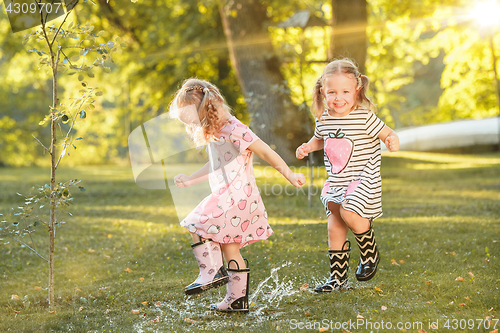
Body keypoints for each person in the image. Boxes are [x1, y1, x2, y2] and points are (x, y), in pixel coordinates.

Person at [171, 78, 306, 311]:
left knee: (195, 223)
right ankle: (237, 300)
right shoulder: (216, 132)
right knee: (229, 246)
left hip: (236, 196)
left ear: (204, 109)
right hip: (229, 195)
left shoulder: (235, 129)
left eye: (191, 120)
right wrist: (190, 179)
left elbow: (266, 152)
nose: (191, 126)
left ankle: (211, 272)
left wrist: (290, 175)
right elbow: (215, 166)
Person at [296, 59, 399, 293]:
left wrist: (392, 141)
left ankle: (369, 251)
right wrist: (308, 147)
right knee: (335, 223)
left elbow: (388, 133)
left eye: (345, 91)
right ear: (322, 92)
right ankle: (337, 279)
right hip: (337, 180)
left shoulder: (365, 117)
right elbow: (321, 138)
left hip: (363, 177)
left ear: (357, 91)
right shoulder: (324, 118)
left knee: (349, 210)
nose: (338, 97)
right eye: (331, 92)